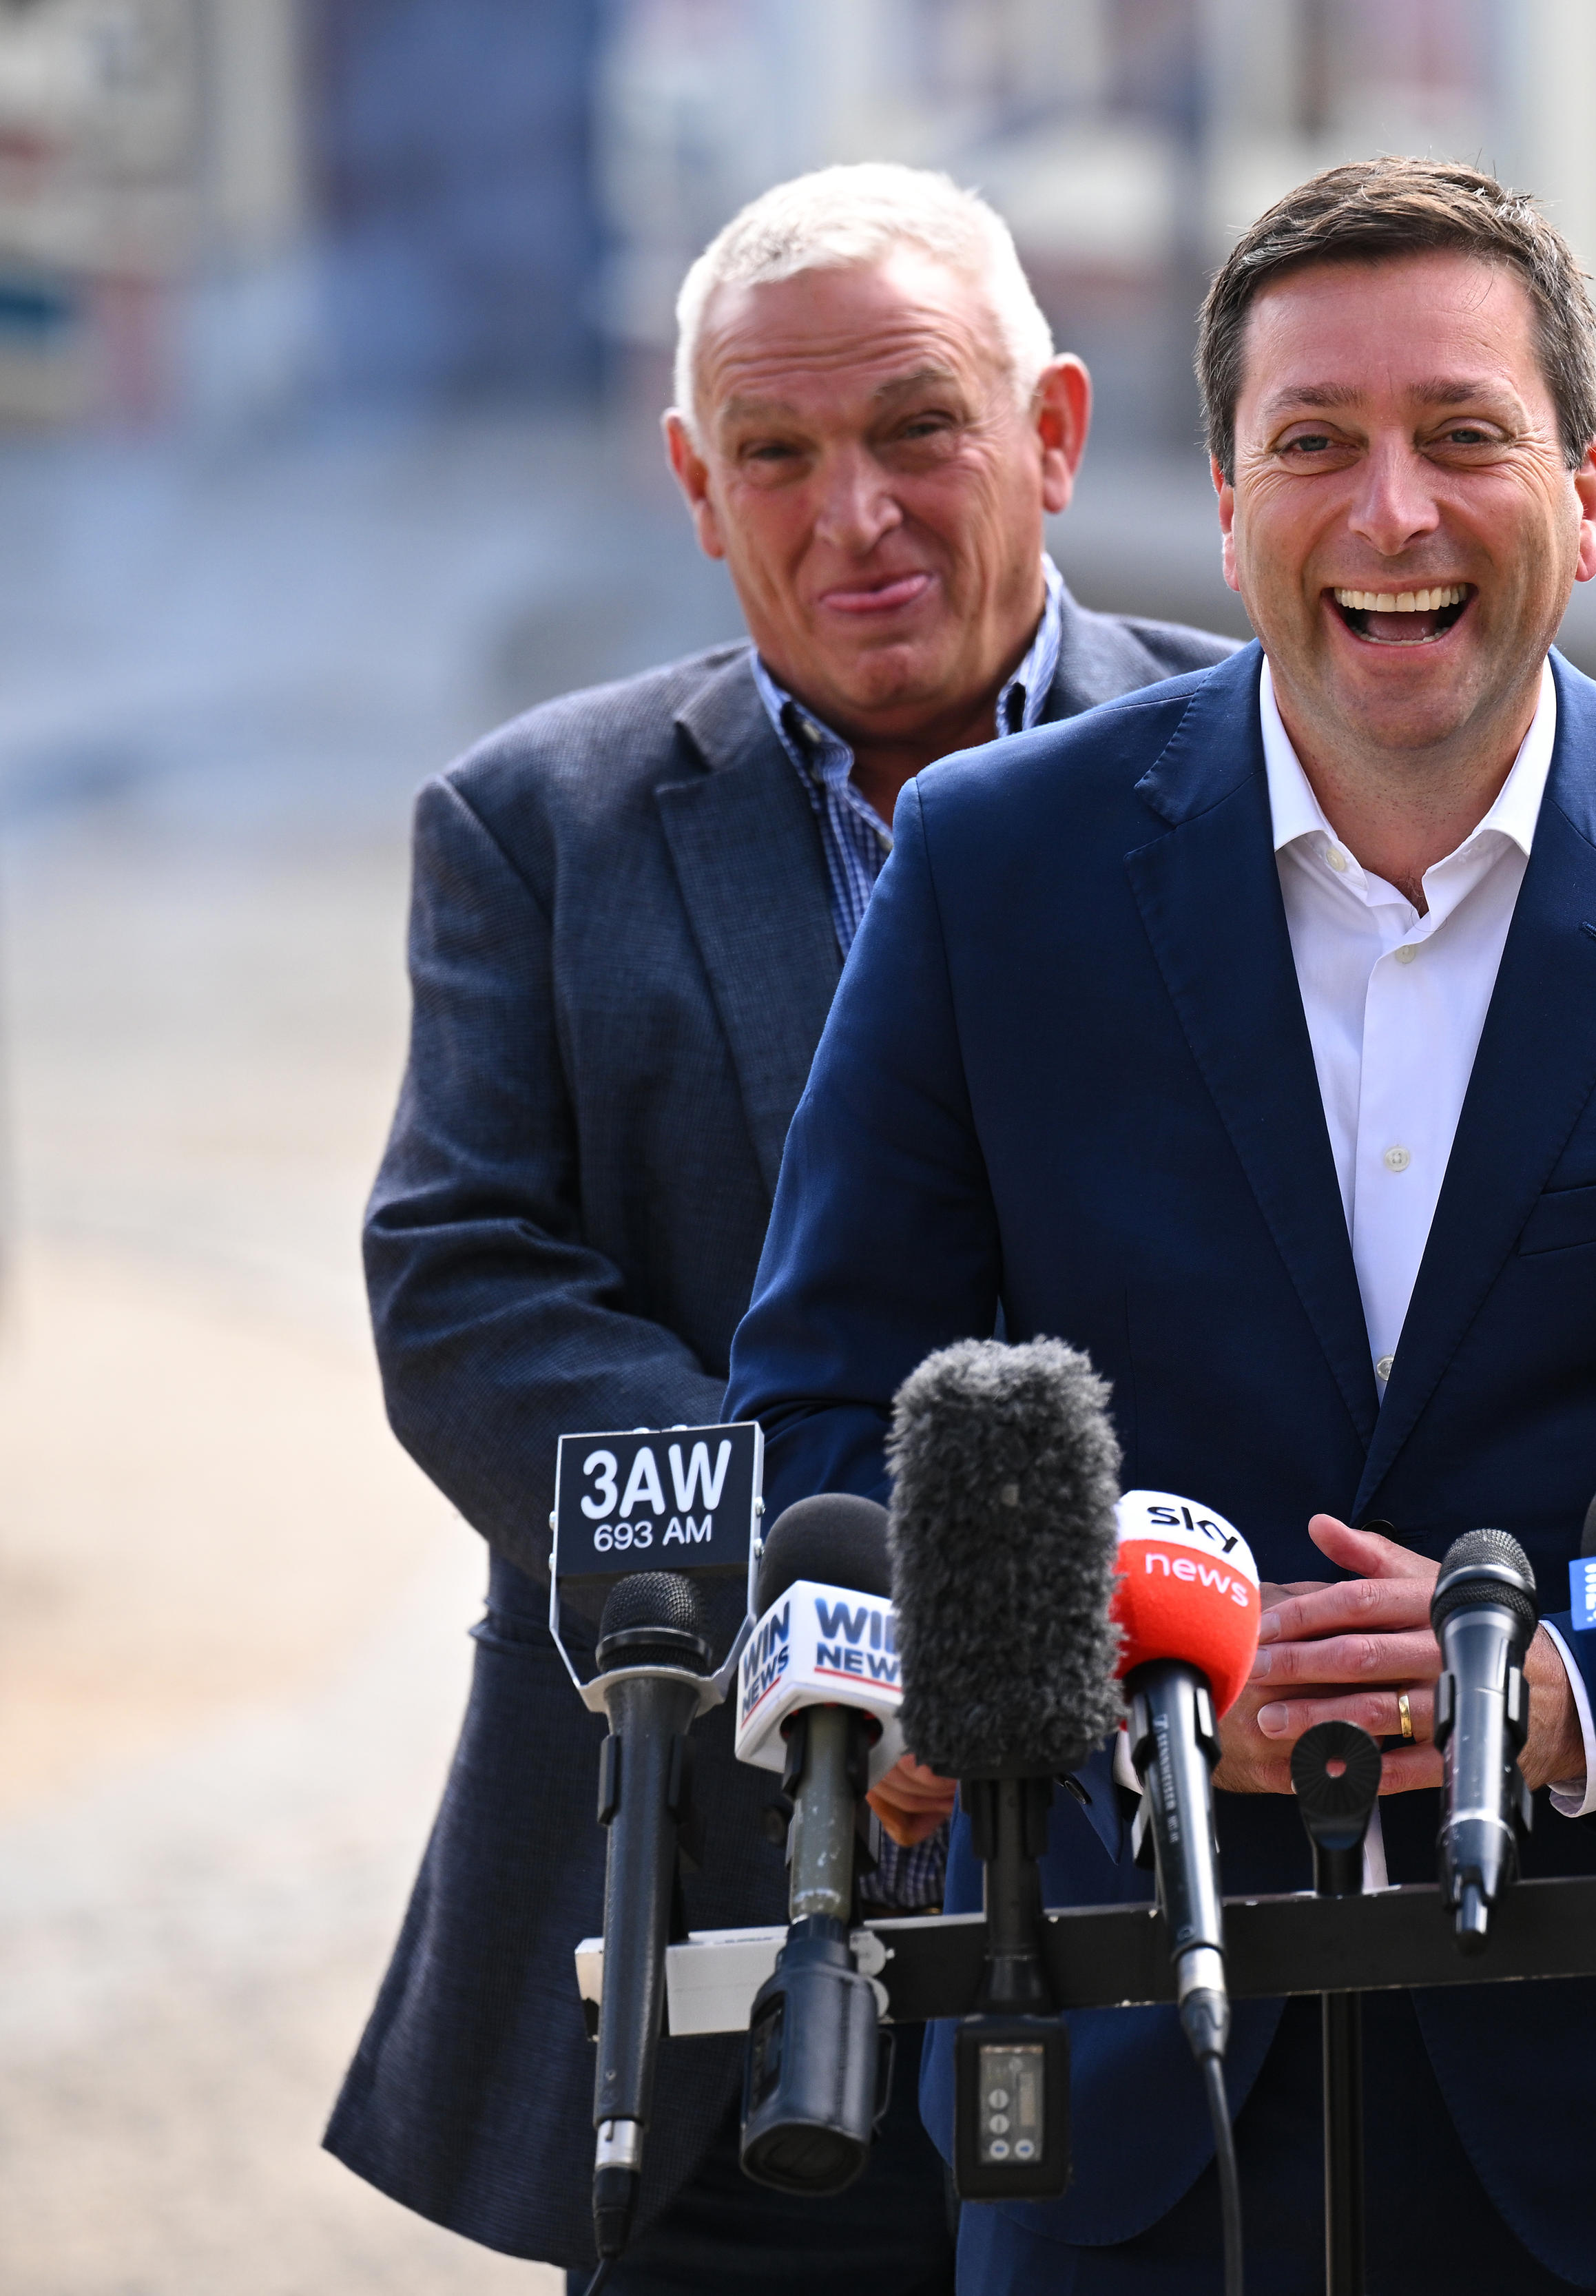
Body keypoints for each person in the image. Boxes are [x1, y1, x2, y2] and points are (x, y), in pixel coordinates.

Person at [720, 156, 1596, 2295]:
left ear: (1589, 488)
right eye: (1315, 447)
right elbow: (816, 1403)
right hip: (1121, 2093)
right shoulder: (996, 866)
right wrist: (1077, 1689)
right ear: (1230, 500)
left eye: (1463, 438)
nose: (1393, 517)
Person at [327, 163, 1236, 2289]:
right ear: (693, 485)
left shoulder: (1253, 775)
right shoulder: (536, 826)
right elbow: (463, 1289)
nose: (858, 516)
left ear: (1057, 429)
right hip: (721, 1926)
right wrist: (863, 1591)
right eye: (778, 455)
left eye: (920, 428)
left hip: (1198, 1899)